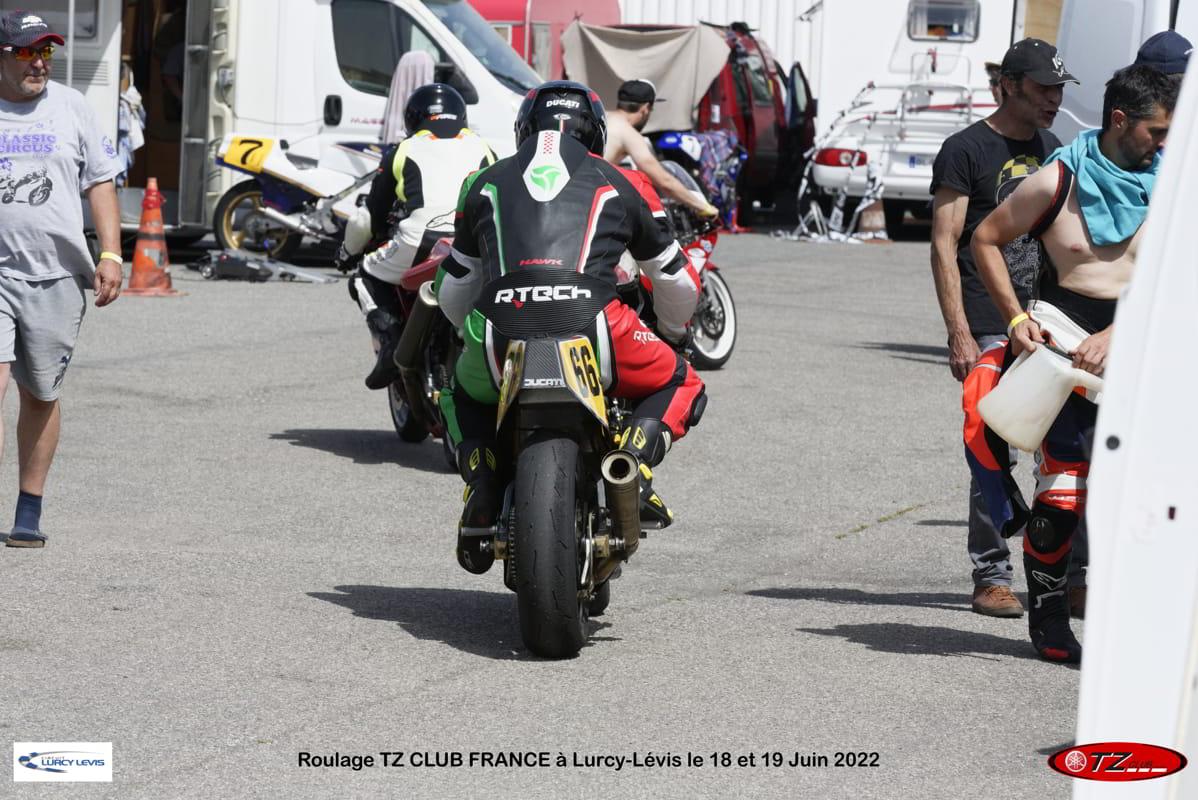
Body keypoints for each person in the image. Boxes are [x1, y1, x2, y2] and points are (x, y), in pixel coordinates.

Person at [436, 80, 706, 575]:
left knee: (457, 393)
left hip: (499, 329)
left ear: (523, 130)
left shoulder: (482, 182)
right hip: (598, 325)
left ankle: (482, 480)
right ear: (597, 133)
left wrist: (467, 334)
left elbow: (454, 289)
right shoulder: (624, 180)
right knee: (682, 380)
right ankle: (631, 464)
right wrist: (671, 333)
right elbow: (678, 281)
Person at [969, 64, 1176, 662]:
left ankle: (1145, 624)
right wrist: (1015, 320)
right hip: (1063, 349)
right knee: (1062, 496)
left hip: (1143, 347)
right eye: (1157, 132)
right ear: (1120, 121)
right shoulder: (1057, 180)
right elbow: (984, 239)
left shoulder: (1175, 189)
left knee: (1151, 499)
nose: (1165, 144)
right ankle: (1051, 623)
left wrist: (1120, 331)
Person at [930, 38, 1080, 618]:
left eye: (1059, 89)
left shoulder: (1054, 149)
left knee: (1064, 448)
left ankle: (1067, 574)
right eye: (1043, 88)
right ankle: (991, 576)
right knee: (992, 445)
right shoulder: (965, 149)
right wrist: (959, 331)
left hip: (1048, 321)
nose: (1053, 100)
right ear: (1009, 85)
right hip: (991, 321)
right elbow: (945, 244)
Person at [0, 11, 122, 548]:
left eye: (46, 51)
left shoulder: (72, 107)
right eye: (27, 52)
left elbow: (100, 182)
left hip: (56, 276)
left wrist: (111, 253)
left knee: (39, 395)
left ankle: (29, 507)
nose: (39, 63)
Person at [338, 83, 494, 390]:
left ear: (412, 119)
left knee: (364, 274)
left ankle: (390, 341)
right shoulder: (483, 147)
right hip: (475, 240)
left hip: (422, 240)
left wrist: (346, 253)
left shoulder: (404, 150)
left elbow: (369, 217)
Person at [603, 78, 719, 219]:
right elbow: (664, 181)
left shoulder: (602, 116)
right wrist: (702, 207)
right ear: (645, 109)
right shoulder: (628, 133)